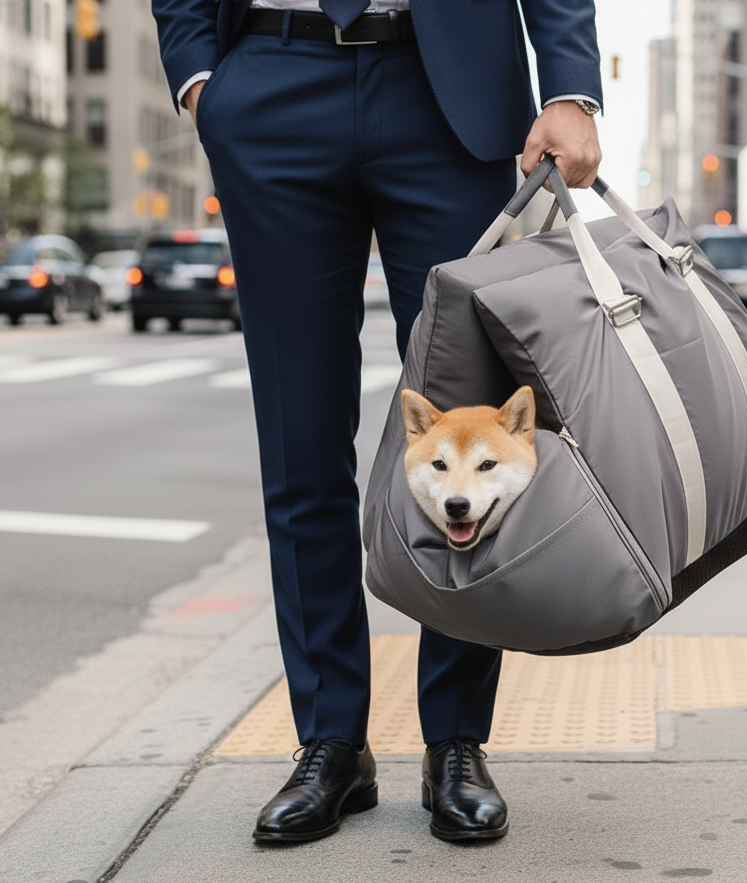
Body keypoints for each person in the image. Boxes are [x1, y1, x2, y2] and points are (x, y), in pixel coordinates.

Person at [151, 0, 602, 844]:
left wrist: (571, 86)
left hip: (448, 98)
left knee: (466, 438)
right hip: (269, 83)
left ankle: (455, 739)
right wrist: (201, 83)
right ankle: (330, 739)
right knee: (299, 439)